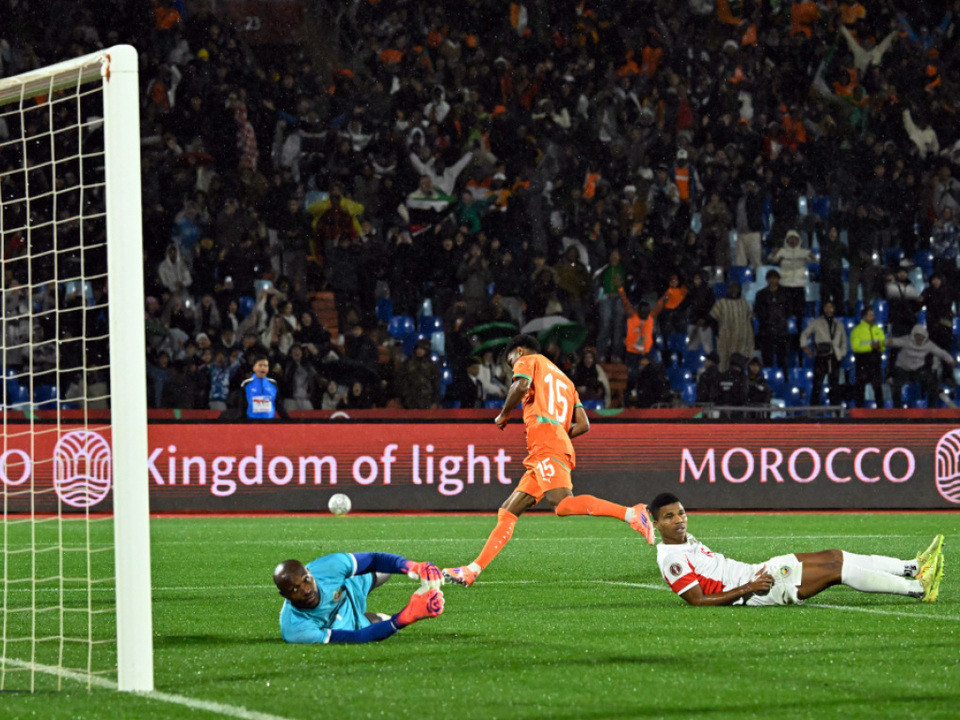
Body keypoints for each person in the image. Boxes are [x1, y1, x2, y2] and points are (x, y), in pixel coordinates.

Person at [442, 335, 654, 588]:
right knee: (507, 511)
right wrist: (559, 436)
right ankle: (471, 571)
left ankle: (632, 513)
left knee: (563, 505)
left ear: (519, 351)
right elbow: (583, 425)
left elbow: (521, 386)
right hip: (549, 444)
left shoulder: (528, 360)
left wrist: (504, 414)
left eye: (511, 361)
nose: (512, 366)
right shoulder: (567, 381)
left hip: (546, 442)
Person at [649, 493, 944, 606]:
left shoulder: (684, 540)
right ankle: (918, 589)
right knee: (835, 570)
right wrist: (749, 587)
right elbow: (697, 601)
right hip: (758, 590)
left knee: (834, 555)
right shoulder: (671, 559)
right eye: (670, 517)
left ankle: (912, 567)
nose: (679, 520)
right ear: (657, 523)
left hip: (758, 572)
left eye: (681, 513)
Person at [273, 553, 445, 644]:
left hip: (350, 587)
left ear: (310, 573)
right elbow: (359, 637)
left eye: (306, 580)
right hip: (343, 624)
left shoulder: (327, 566)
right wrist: (406, 617)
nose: (306, 590)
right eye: (295, 589)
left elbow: (374, 559)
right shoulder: (295, 629)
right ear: (284, 596)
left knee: (384, 570)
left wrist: (412, 566)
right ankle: (374, 618)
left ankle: (438, 575)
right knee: (380, 622)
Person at [886, 324, 955, 408]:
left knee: (933, 385)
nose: (919, 338)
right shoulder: (906, 340)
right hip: (903, 369)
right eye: (917, 335)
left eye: (921, 336)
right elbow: (895, 341)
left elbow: (941, 352)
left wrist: (950, 360)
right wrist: (887, 342)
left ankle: (931, 408)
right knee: (896, 386)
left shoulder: (928, 344)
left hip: (918, 370)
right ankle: (897, 409)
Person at [799, 301, 848, 406]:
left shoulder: (839, 324)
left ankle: (835, 409)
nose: (829, 309)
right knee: (817, 384)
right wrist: (804, 347)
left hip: (834, 356)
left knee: (834, 385)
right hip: (821, 356)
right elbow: (804, 334)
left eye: (831, 307)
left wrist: (842, 353)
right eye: (826, 307)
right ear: (823, 309)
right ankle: (814, 409)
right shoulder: (816, 322)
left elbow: (844, 341)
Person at [851, 307, 885, 407]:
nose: (873, 317)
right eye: (870, 315)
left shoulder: (878, 329)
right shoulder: (857, 330)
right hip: (862, 361)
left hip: (875, 361)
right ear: (864, 316)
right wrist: (870, 346)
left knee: (878, 387)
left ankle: (881, 411)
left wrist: (880, 347)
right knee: (860, 387)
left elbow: (883, 343)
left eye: (873, 315)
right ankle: (859, 410)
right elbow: (855, 347)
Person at [241, 353, 280, 419]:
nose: (263, 368)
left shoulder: (273, 384)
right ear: (254, 368)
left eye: (265, 365)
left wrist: (288, 420)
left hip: (270, 421)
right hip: (251, 421)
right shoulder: (246, 384)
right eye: (260, 365)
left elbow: (278, 405)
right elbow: (242, 407)